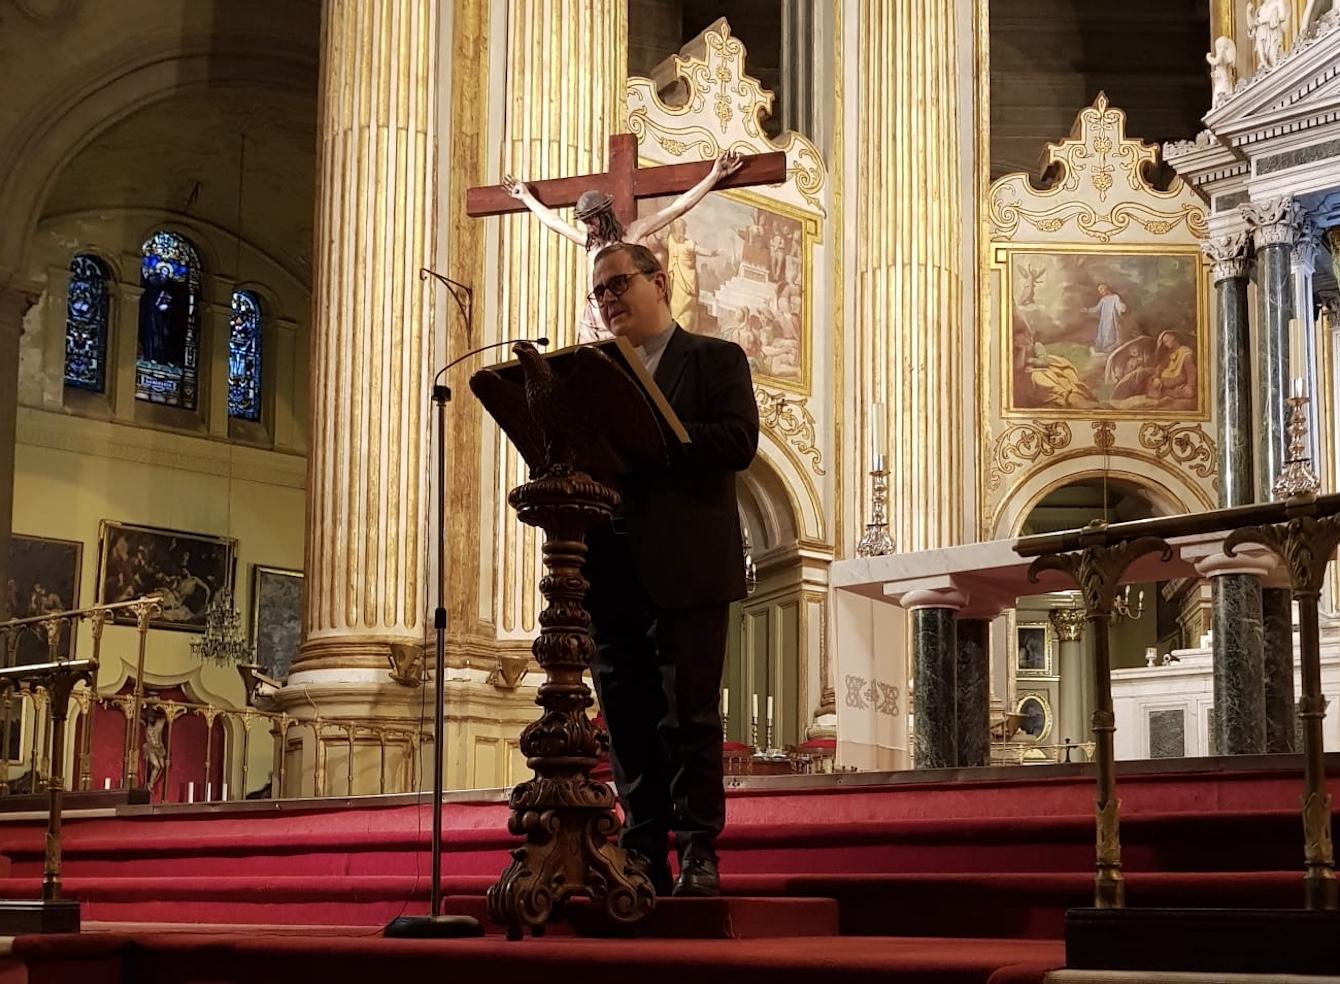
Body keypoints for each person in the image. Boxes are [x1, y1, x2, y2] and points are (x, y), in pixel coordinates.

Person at [583, 242, 759, 898]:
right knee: (625, 722)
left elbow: (739, 442)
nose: (608, 300)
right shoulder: (596, 374)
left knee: (687, 719)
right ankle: (642, 849)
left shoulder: (715, 360)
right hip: (609, 570)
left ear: (660, 282)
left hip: (689, 569)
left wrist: (656, 432)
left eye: (618, 283)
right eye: (599, 292)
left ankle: (698, 851)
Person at [501, 151, 742, 343]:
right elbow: (554, 222)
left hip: (621, 322)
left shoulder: (632, 234)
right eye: (584, 222)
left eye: (591, 220)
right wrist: (525, 197)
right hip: (593, 325)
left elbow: (678, 208)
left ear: (603, 216)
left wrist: (713, 177)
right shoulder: (589, 244)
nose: (588, 227)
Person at [1083, 282, 1128, 355]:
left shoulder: (1115, 297)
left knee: (1110, 333)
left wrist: (1122, 309)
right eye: (1099, 291)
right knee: (1103, 333)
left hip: (1111, 320)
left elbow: (1118, 306)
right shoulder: (1103, 299)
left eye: (1101, 290)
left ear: (1106, 289)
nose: (1101, 292)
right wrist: (1087, 310)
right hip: (1104, 320)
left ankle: (1109, 349)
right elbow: (1096, 309)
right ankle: (1103, 349)